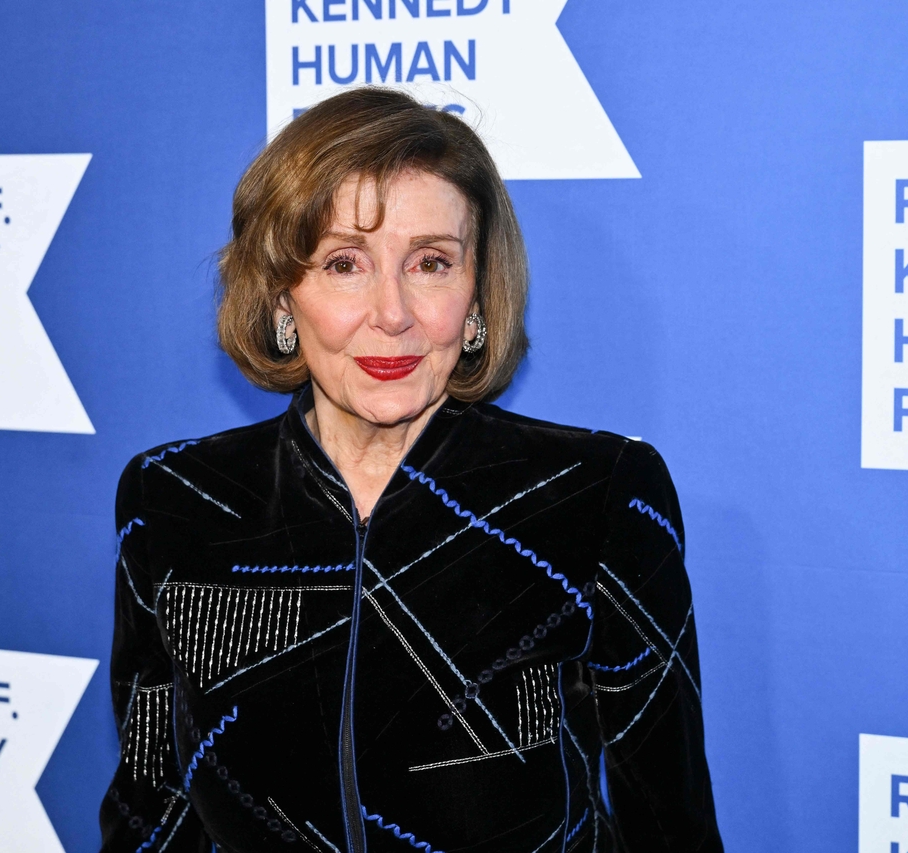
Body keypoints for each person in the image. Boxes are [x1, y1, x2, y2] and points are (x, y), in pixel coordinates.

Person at [101, 87, 722, 853]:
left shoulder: (596, 494)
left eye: (430, 262)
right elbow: (149, 813)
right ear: (283, 296)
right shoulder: (174, 499)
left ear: (476, 297)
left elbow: (669, 826)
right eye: (344, 264)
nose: (392, 312)